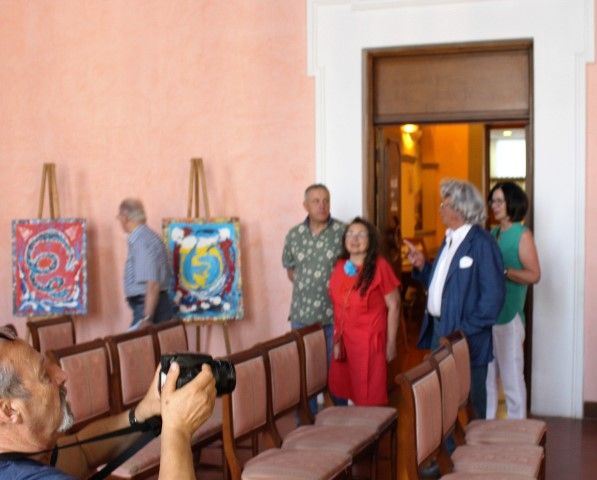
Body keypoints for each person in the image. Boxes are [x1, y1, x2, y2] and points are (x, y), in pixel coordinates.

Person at [0, 326, 216, 479]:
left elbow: (83, 451)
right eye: (44, 375)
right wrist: (177, 431)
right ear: (8, 410)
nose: (61, 375)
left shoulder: (24, 455)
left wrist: (143, 412)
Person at [405, 179, 505, 419]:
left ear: (461, 208)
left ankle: (475, 443)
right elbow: (443, 284)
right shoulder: (449, 238)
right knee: (442, 398)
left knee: (472, 401)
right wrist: (422, 266)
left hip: (466, 335)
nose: (440, 208)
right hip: (440, 329)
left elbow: (493, 298)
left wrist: (463, 331)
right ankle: (446, 443)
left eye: (445, 204)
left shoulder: (482, 243)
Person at [327, 217, 401, 406]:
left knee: (368, 395)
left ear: (371, 239)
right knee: (341, 388)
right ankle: (348, 424)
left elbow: (394, 305)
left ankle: (369, 425)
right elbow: (337, 305)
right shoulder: (340, 266)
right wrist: (336, 339)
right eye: (350, 234)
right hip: (344, 341)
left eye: (361, 234)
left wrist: (391, 343)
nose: (354, 238)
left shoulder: (380, 266)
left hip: (369, 344)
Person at [485, 182, 540, 419]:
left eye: (500, 201)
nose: (494, 206)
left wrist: (506, 272)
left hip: (509, 316)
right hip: (489, 316)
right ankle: (486, 429)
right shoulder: (493, 233)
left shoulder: (522, 234)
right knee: (487, 379)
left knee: (512, 379)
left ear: (512, 203)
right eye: (493, 201)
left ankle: (518, 431)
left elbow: (534, 275)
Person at [117, 198, 174, 329]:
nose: (120, 221)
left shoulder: (141, 241)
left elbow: (152, 283)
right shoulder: (150, 236)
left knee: (139, 342)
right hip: (155, 304)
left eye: (119, 217)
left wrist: (147, 318)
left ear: (125, 217)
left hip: (148, 306)